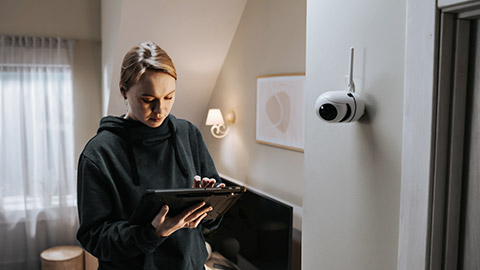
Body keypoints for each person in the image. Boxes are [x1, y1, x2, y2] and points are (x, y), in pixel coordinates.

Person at [76, 41, 224, 270]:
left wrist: (206, 205)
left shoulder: (188, 134)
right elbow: (94, 237)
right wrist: (150, 233)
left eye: (169, 97)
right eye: (148, 100)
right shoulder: (99, 154)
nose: (160, 110)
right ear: (123, 90)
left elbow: (215, 215)